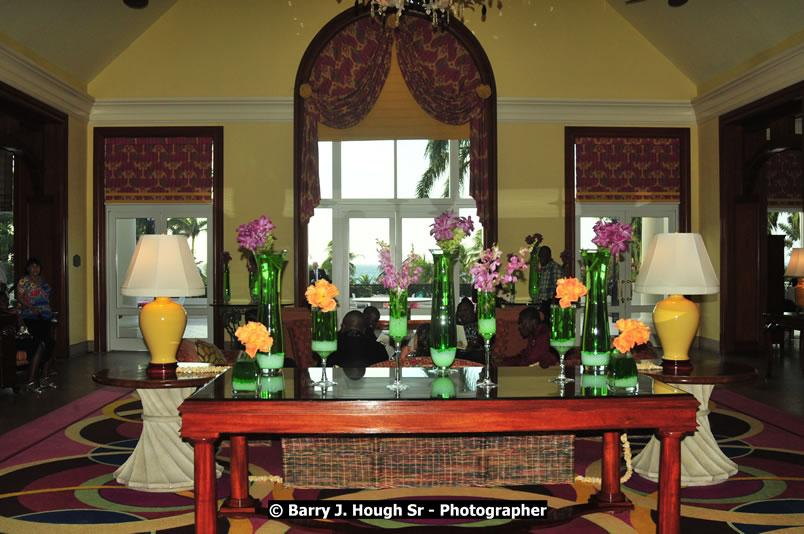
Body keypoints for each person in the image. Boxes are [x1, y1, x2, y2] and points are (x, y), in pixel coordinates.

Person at [16, 257, 56, 382]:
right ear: (28, 268)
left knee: (49, 343)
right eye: (32, 266)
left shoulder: (42, 280)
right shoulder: (24, 280)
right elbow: (19, 297)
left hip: (45, 316)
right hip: (30, 316)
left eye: (37, 266)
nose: (35, 269)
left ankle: (44, 374)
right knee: (38, 344)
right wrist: (31, 307)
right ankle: (31, 379)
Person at [0, 290, 46, 393]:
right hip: (5, 344)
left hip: (14, 341)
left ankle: (31, 381)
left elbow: (22, 328)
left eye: (7, 300)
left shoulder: (11, 312)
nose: (6, 302)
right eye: (3, 301)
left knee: (39, 343)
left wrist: (18, 316)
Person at [456, 297, 484, 364]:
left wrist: (473, 345)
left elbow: (483, 341)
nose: (463, 313)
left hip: (476, 352)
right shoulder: (457, 327)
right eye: (460, 311)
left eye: (465, 310)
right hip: (459, 352)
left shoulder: (480, 324)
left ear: (472, 310)